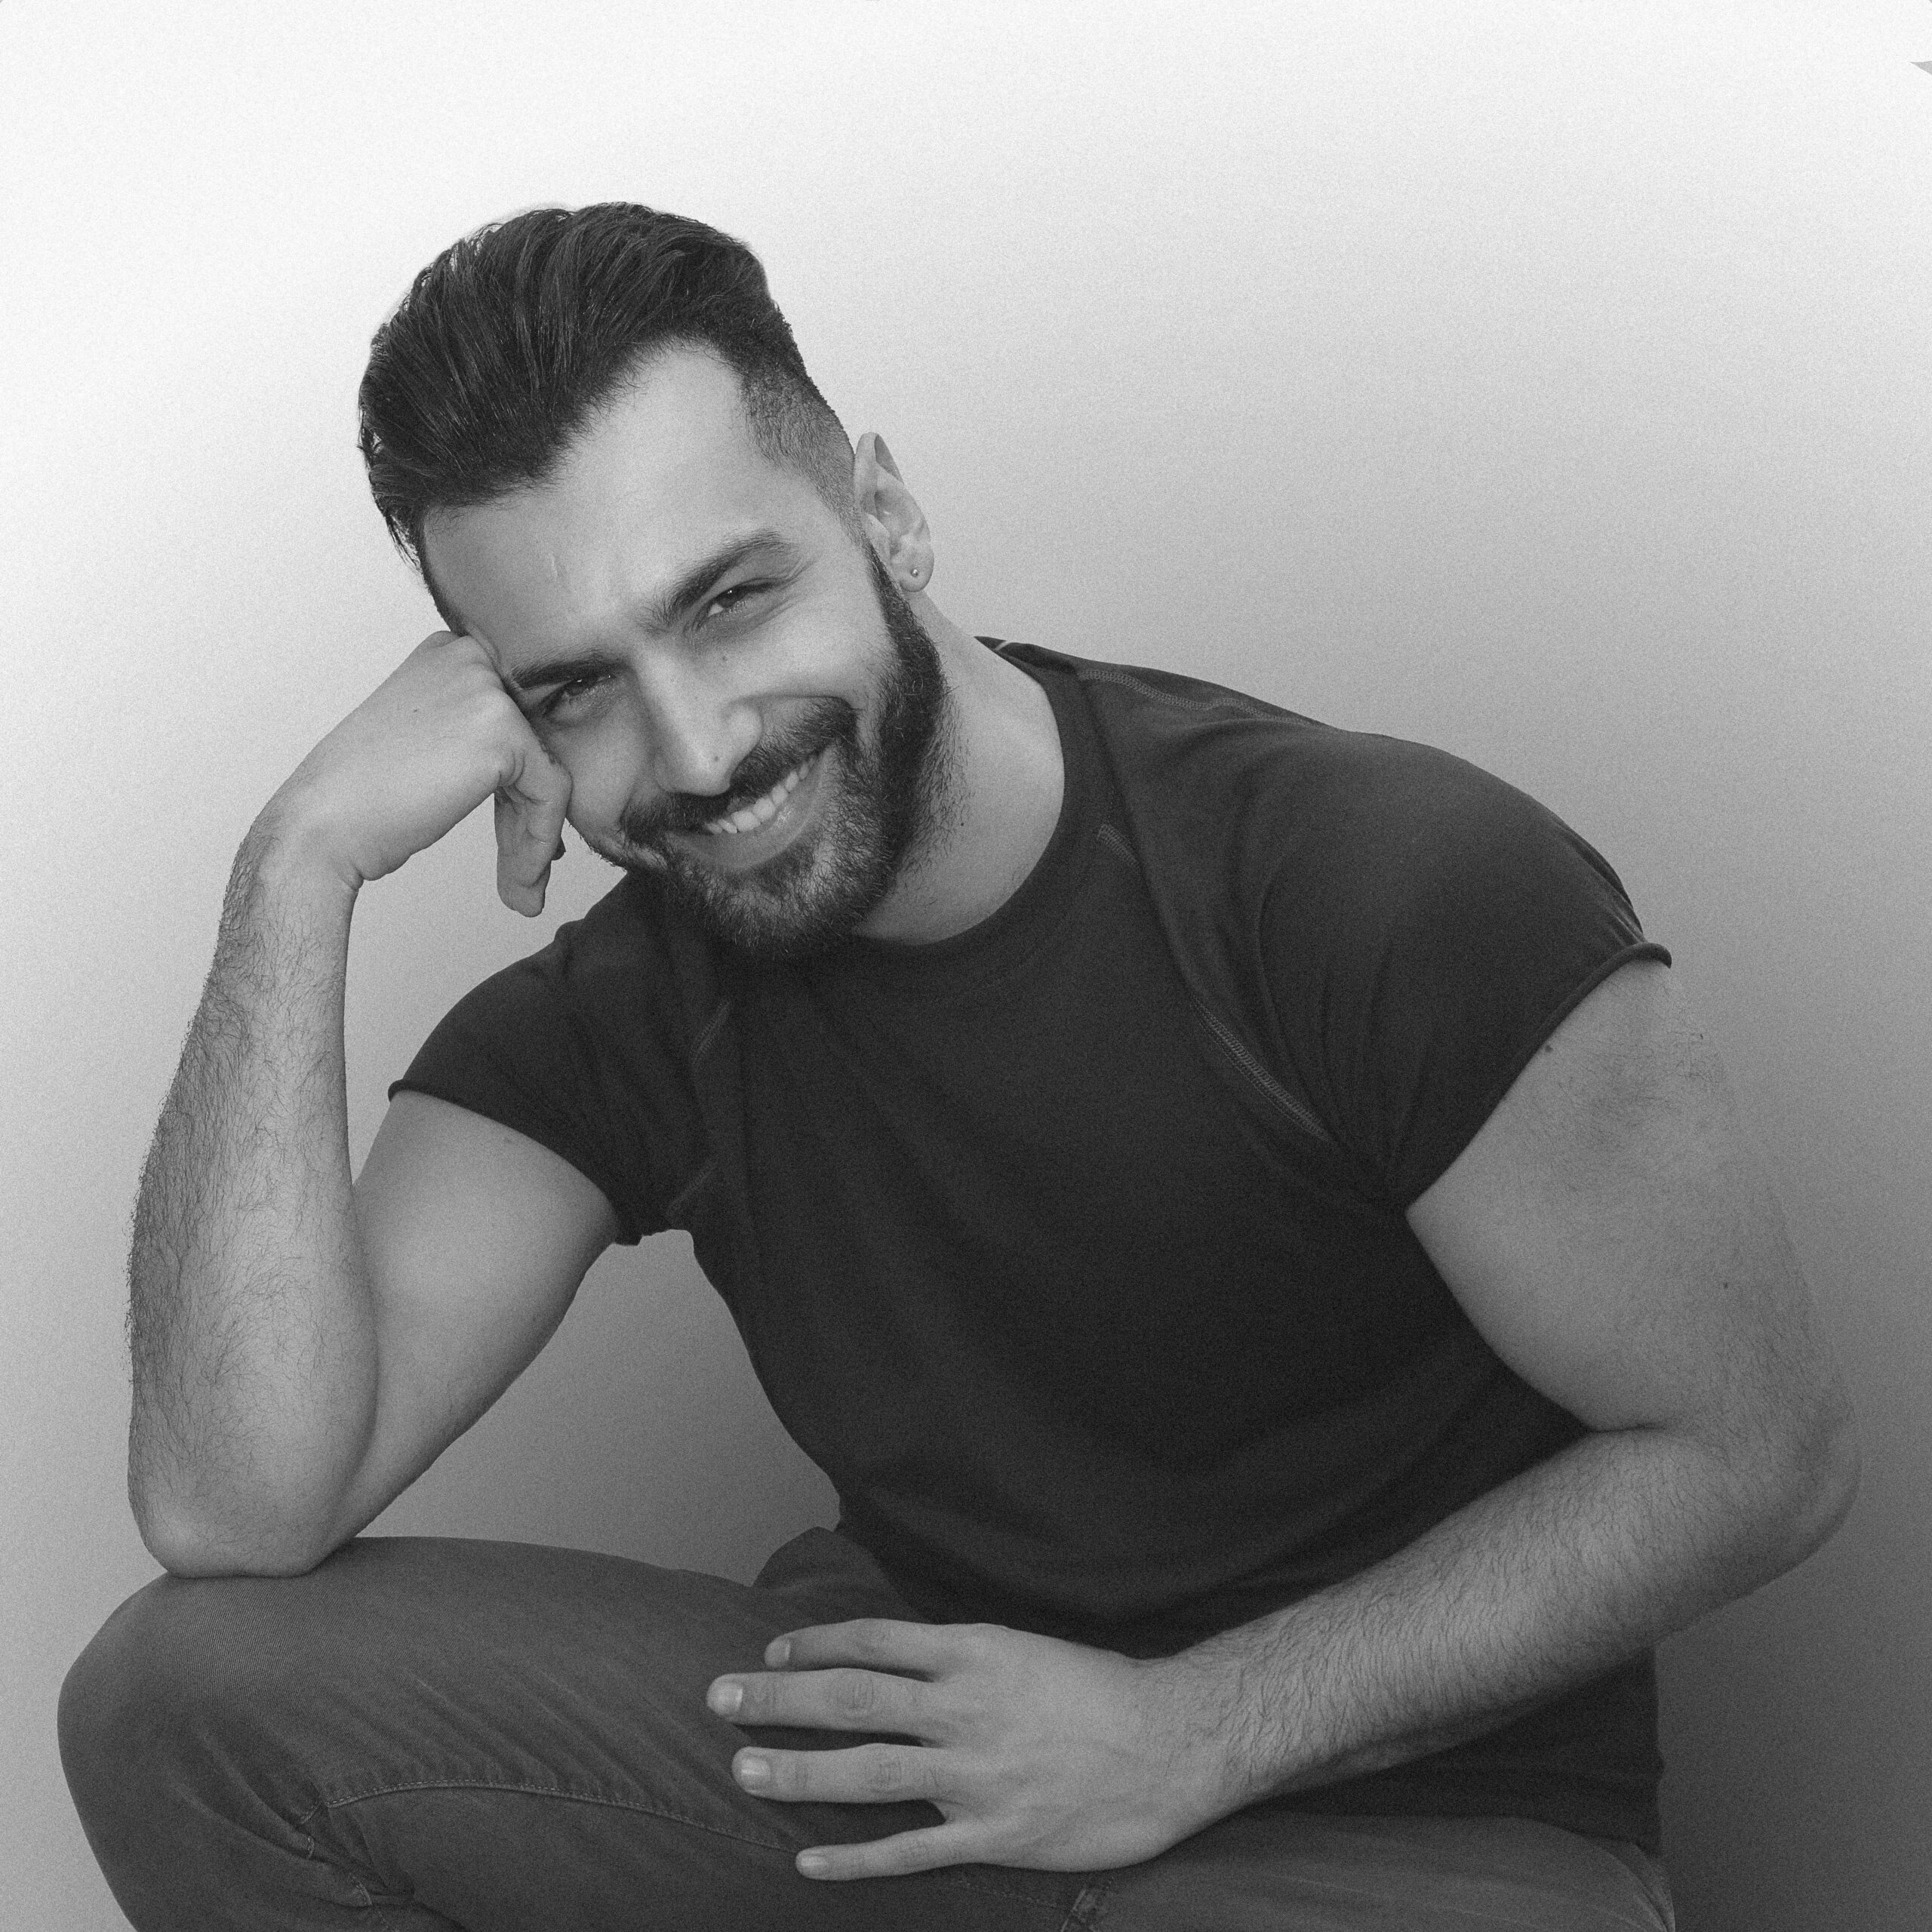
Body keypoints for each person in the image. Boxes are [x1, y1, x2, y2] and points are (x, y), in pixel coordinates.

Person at [60, 203, 1857, 1932]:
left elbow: (1751, 1451)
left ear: (886, 516)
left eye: (727, 601)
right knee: (185, 1701)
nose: (696, 748)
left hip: (1398, 1828)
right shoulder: (629, 1004)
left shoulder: (1372, 885)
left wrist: (1188, 1730)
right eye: (575, 688)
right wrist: (294, 862)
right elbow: (235, 1505)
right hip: (921, 1795)